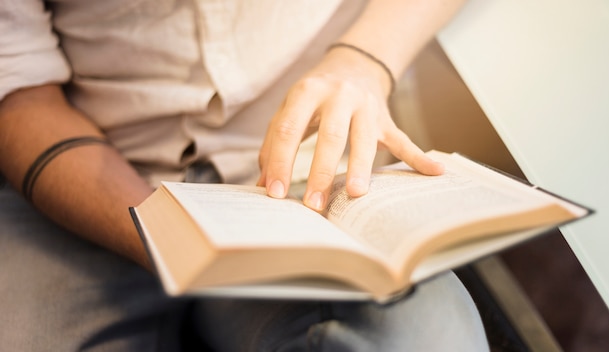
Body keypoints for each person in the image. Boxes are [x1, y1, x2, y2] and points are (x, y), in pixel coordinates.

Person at [0, 0, 489, 350]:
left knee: (425, 338)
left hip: (309, 178)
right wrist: (162, 234)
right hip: (87, 183)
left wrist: (364, 61)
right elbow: (20, 92)